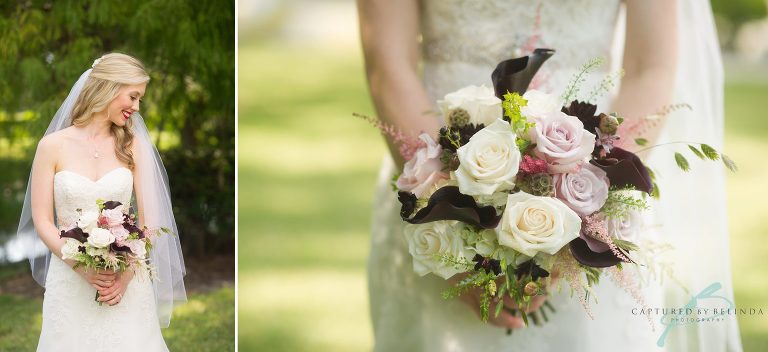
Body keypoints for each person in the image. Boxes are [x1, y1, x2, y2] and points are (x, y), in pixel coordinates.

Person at [358, 0, 742, 351]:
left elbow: (650, 68)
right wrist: (448, 221)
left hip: (592, 173)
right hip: (430, 164)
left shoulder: (592, 201)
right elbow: (388, 62)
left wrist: (590, 201)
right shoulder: (437, 203)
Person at [16, 53, 187, 351]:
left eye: (140, 100)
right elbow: (43, 221)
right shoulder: (52, 146)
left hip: (126, 279)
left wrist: (125, 276)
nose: (136, 107)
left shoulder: (134, 146)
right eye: (133, 96)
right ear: (108, 87)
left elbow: (149, 220)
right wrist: (80, 267)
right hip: (69, 278)